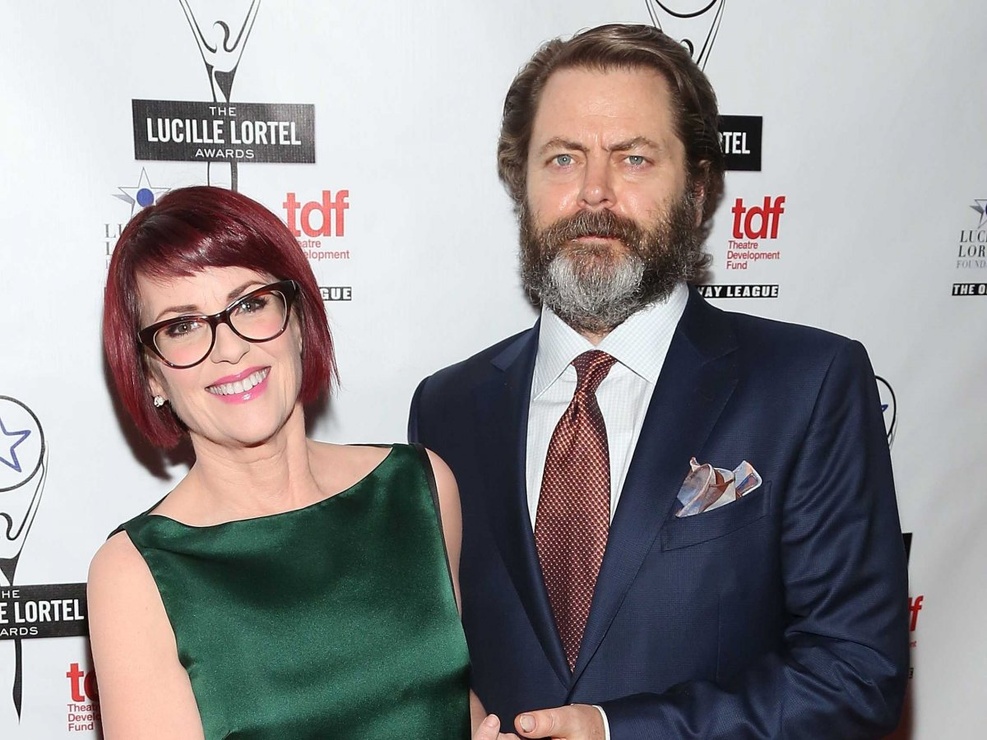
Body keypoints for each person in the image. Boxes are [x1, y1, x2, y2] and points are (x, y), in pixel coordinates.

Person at [409, 23, 909, 740]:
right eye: (562, 158)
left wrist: (617, 730)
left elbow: (856, 673)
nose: (594, 192)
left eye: (634, 158)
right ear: (523, 185)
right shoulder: (447, 408)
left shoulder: (807, 385)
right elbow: (428, 657)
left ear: (697, 191)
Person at [89, 186, 501, 739]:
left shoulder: (420, 489)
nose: (229, 348)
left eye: (250, 303)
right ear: (152, 375)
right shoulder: (136, 573)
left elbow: (443, 704)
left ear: (299, 319)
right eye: (181, 326)